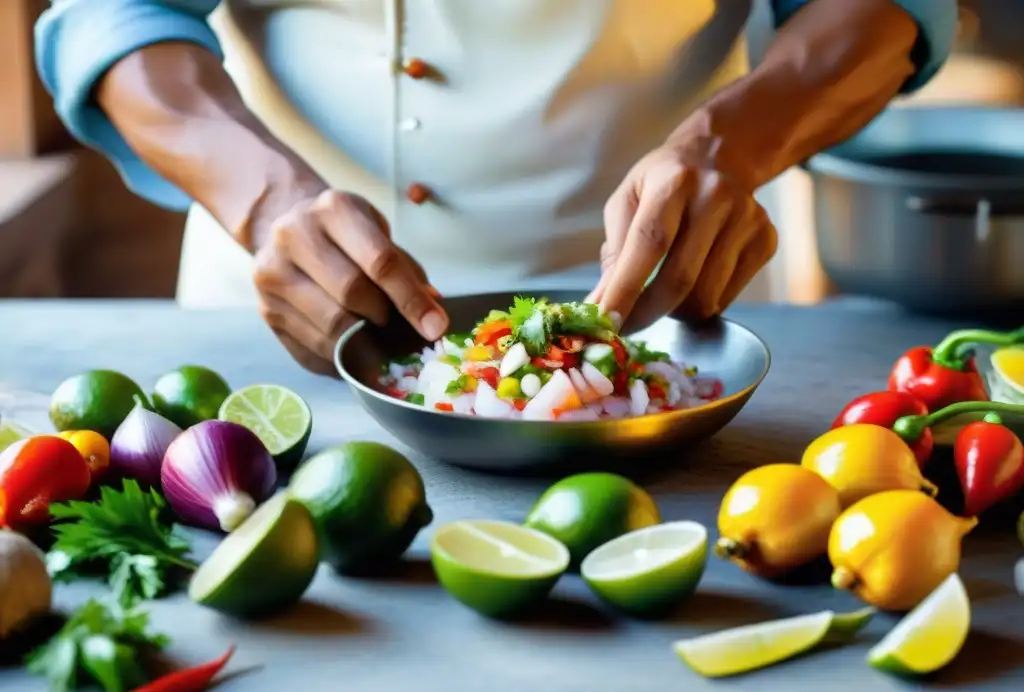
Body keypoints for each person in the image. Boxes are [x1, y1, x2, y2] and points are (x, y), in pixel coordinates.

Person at [37, 0, 956, 374]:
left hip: (670, 332)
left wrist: (736, 142)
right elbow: (107, 15)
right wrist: (263, 199)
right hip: (285, 313)